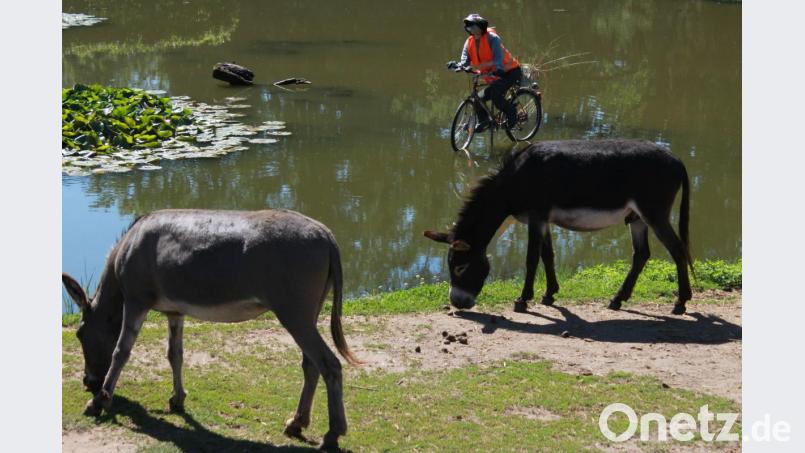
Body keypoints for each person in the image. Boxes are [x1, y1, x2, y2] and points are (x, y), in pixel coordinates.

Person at [447, 13, 523, 131]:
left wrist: (491, 69)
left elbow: (498, 60)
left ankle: (512, 112)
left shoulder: (492, 38)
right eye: (468, 25)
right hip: (492, 75)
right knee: (477, 99)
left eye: (472, 25)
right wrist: (458, 65)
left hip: (509, 72)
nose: (469, 28)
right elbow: (465, 60)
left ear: (480, 26)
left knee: (495, 96)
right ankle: (485, 121)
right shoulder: (469, 42)